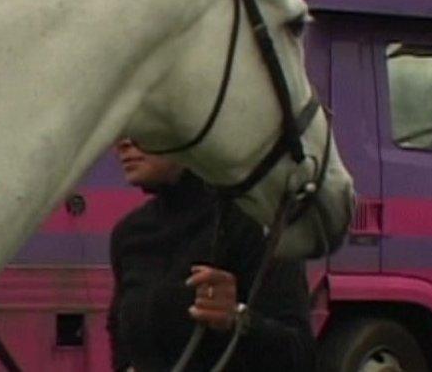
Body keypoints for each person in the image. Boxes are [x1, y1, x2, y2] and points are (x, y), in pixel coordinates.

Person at [107, 138, 315, 372]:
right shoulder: (129, 234)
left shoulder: (253, 222)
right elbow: (121, 341)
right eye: (121, 129)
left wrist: (237, 319)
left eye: (144, 127)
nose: (123, 143)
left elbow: (299, 353)